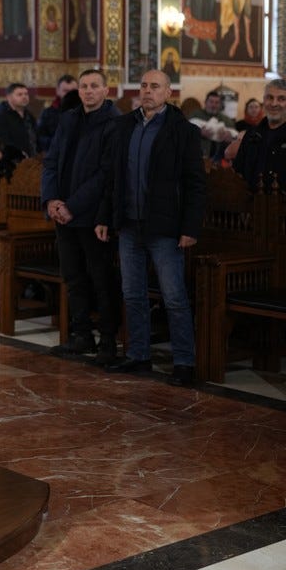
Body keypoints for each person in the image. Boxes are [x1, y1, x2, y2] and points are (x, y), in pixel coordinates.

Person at [95, 70, 206, 385]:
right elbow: (111, 178)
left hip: (165, 226)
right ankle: (138, 355)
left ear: (168, 93)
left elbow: (195, 184)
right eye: (143, 85)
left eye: (154, 86)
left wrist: (190, 227)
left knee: (174, 297)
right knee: (132, 294)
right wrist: (104, 217)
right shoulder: (123, 126)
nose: (147, 91)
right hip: (129, 224)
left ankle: (184, 362)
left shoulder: (183, 131)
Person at [42, 69, 121, 364]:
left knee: (101, 279)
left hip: (92, 215)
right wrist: (51, 200)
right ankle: (81, 334)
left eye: (94, 86)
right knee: (73, 276)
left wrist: (72, 205)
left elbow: (105, 174)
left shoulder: (114, 123)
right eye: (84, 86)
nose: (88, 91)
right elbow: (51, 162)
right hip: (63, 214)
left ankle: (108, 340)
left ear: (106, 90)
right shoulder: (69, 119)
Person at [228, 78, 286, 192]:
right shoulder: (251, 135)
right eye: (270, 98)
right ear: (263, 100)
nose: (274, 104)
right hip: (252, 201)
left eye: (281, 99)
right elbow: (238, 174)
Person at [0, 82, 37, 164]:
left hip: (32, 161)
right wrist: (18, 154)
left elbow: (35, 137)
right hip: (11, 163)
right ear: (9, 97)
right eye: (19, 94)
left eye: (26, 94)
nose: (24, 97)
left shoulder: (29, 116)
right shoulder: (1, 117)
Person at [187, 89, 237, 161]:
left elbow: (235, 138)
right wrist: (199, 132)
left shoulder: (227, 120)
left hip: (220, 160)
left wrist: (229, 137)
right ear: (205, 103)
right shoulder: (195, 115)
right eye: (211, 102)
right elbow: (185, 132)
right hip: (197, 157)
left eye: (217, 102)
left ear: (220, 105)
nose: (213, 105)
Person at [37, 74, 78, 153]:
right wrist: (57, 143)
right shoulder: (48, 113)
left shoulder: (86, 111)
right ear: (58, 91)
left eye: (73, 91)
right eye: (65, 91)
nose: (70, 94)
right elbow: (40, 137)